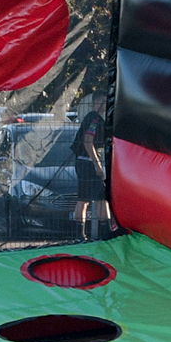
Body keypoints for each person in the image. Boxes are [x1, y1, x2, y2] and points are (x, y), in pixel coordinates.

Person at [71, 90, 112, 238]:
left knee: (92, 198)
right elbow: (88, 142)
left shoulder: (95, 119)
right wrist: (97, 165)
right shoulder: (94, 120)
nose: (107, 105)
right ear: (98, 102)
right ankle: (102, 232)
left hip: (84, 162)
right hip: (87, 163)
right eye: (105, 102)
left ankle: (83, 234)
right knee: (95, 198)